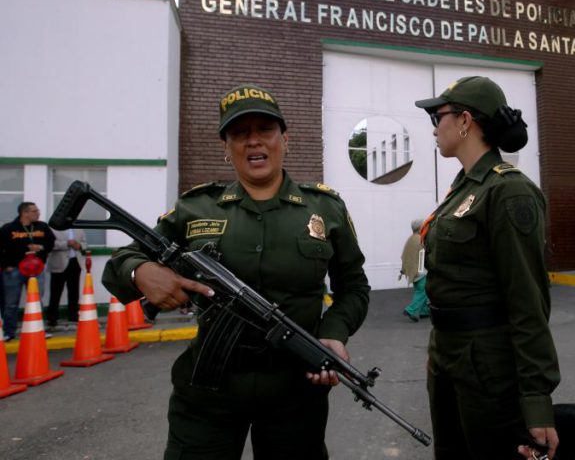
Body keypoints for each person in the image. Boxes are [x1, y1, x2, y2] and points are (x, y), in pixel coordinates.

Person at [102, 83, 370, 459]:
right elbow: (121, 261)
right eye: (240, 133)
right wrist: (141, 271)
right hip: (208, 390)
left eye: (265, 130)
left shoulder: (325, 209)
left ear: (285, 139)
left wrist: (333, 335)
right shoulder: (195, 208)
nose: (253, 142)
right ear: (225, 149)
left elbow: (354, 287)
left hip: (296, 390)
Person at [414, 76, 560, 460]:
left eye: (438, 115)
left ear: (465, 121)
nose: (434, 126)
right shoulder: (464, 187)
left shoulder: (508, 191)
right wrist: (442, 344)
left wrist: (536, 400)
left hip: (487, 365)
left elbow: (528, 300)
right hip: (449, 355)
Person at [0, 202, 55, 342]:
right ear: (24, 213)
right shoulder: (9, 228)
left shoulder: (42, 227)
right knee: (11, 303)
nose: (38, 213)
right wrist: (6, 265)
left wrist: (41, 248)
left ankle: (38, 329)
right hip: (14, 270)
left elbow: (51, 242)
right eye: (34, 211)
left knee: (36, 301)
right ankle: (9, 332)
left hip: (36, 270)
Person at [47, 228, 87, 329]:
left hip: (75, 262)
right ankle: (52, 318)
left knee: (74, 291)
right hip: (59, 263)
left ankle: (73, 315)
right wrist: (67, 243)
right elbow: (50, 244)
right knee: (56, 292)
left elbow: (84, 242)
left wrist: (80, 246)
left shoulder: (79, 229)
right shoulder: (52, 228)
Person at [399, 218, 429, 322]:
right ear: (421, 227)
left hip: (414, 272)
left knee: (423, 291)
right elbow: (425, 255)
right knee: (423, 292)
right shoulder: (420, 239)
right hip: (421, 272)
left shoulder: (410, 239)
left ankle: (425, 312)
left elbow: (406, 256)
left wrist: (403, 270)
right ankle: (410, 310)